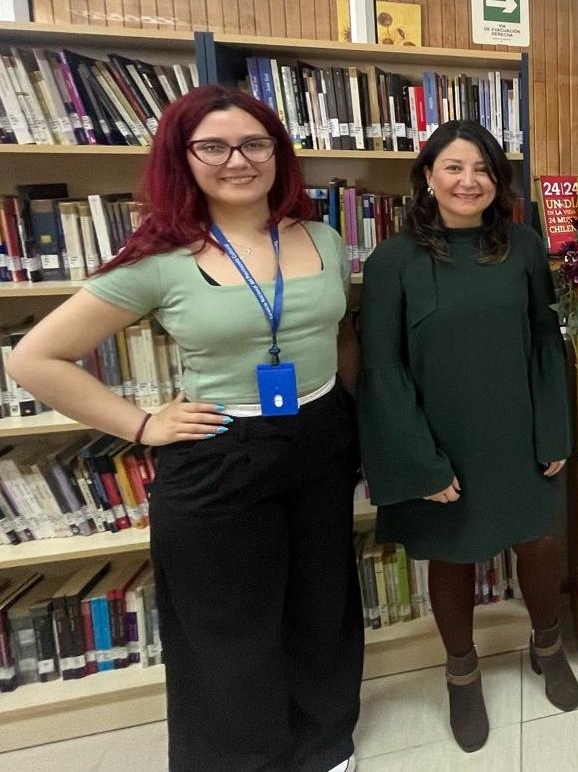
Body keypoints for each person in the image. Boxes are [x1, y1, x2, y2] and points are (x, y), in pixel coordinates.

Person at [8, 86, 363, 771]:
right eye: (214, 146)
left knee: (322, 602)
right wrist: (141, 422)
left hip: (319, 436)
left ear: (277, 153)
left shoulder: (319, 235)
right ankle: (246, 759)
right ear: (184, 156)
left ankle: (323, 745)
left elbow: (339, 334)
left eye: (254, 143)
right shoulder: (161, 258)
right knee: (228, 626)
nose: (238, 160)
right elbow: (33, 359)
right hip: (221, 450)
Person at [356, 120, 578, 754]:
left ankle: (546, 645)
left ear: (496, 181)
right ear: (427, 176)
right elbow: (382, 368)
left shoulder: (525, 246)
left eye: (481, 169)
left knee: (538, 543)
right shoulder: (391, 262)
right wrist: (420, 463)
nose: (468, 180)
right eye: (454, 167)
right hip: (439, 439)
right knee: (452, 555)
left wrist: (553, 429)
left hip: (519, 428)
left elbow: (544, 341)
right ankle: (461, 671)